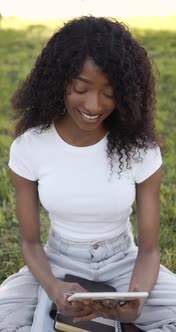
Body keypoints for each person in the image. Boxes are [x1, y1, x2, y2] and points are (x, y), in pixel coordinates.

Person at [0, 15, 176, 332]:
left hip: (123, 260)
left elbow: (149, 249)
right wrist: (54, 288)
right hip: (57, 260)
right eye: (81, 88)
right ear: (59, 81)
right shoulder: (30, 146)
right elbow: (30, 243)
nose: (94, 105)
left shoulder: (140, 149)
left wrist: (138, 297)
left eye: (109, 93)